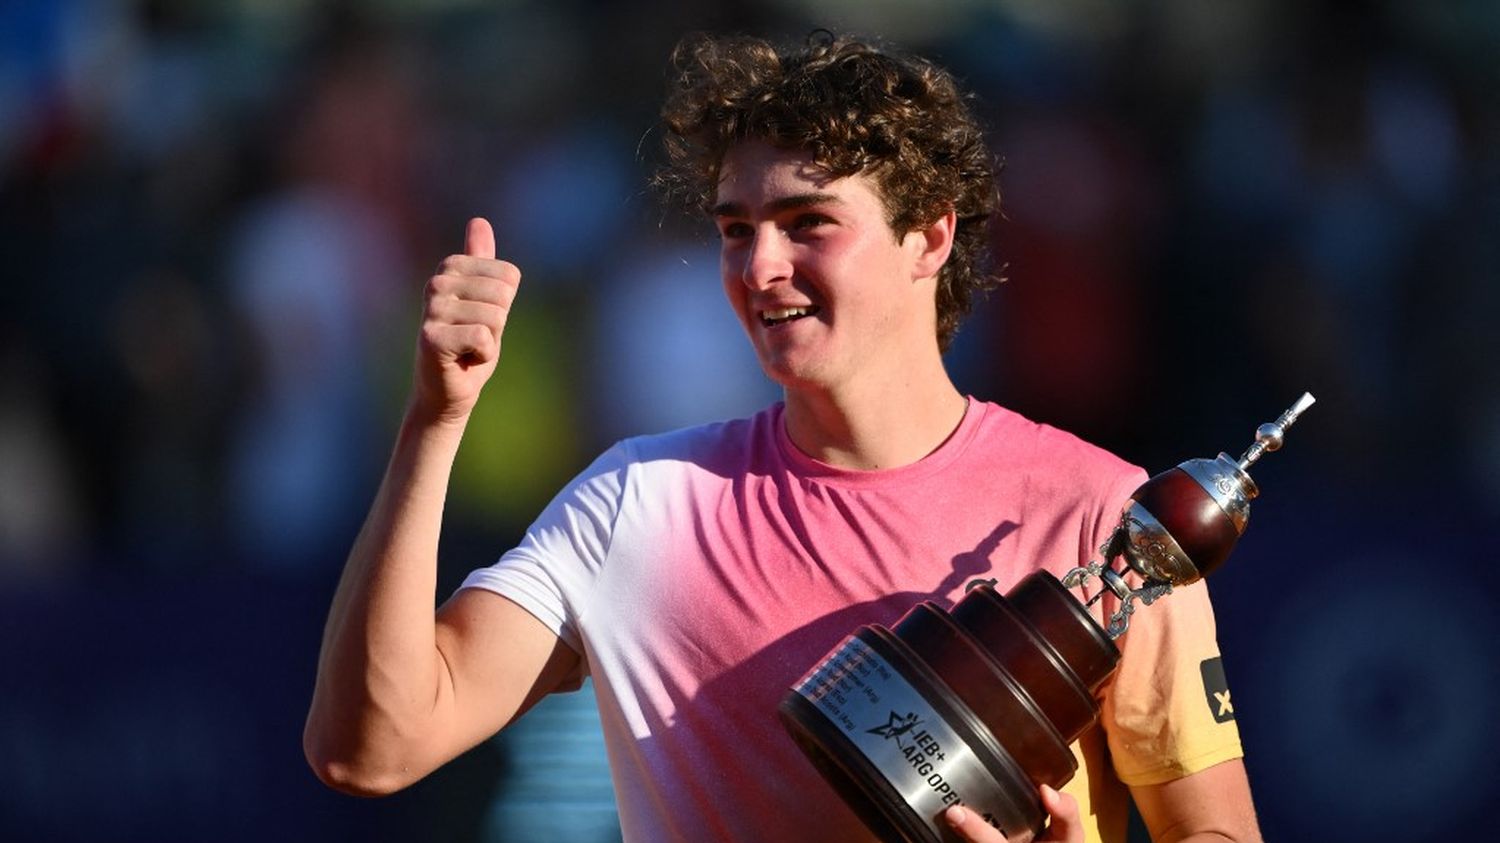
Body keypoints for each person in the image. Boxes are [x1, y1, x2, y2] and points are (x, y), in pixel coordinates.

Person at [304, 32, 1262, 843]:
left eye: (808, 223)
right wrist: (434, 424)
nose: (760, 265)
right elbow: (371, 746)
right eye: (735, 228)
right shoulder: (637, 503)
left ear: (930, 236)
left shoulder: (1110, 517)